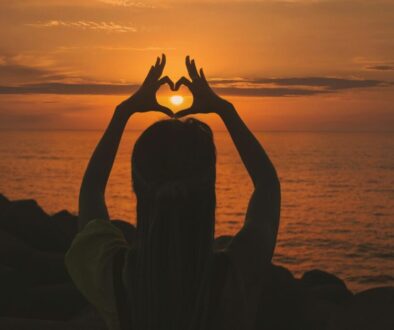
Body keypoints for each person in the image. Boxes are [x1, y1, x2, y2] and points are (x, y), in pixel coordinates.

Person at [65, 54, 281, 330]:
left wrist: (124, 111)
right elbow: (267, 184)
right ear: (209, 190)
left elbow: (92, 191)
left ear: (138, 188)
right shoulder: (235, 273)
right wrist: (224, 109)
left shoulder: (114, 275)